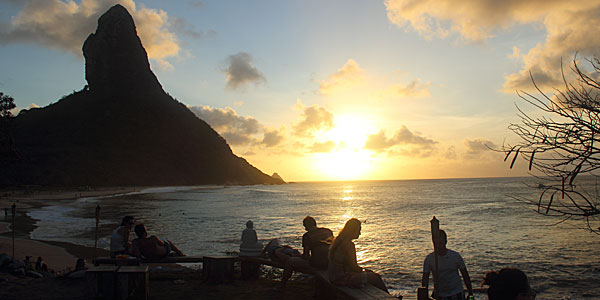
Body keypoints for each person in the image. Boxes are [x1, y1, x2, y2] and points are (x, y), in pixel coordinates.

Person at [328, 218, 389, 293]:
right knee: (375, 278)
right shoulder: (349, 245)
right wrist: (365, 271)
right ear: (352, 230)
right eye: (359, 230)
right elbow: (354, 267)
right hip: (342, 278)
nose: (360, 233)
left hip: (333, 276)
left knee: (369, 275)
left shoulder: (339, 240)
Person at [280, 216, 333, 288]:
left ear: (306, 226)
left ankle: (282, 284)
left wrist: (297, 255)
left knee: (290, 261)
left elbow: (306, 256)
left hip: (317, 265)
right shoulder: (328, 231)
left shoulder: (307, 236)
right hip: (329, 263)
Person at [421, 229, 473, 300]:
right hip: (439, 294)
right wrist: (425, 295)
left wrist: (470, 292)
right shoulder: (429, 259)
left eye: (441, 241)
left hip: (456, 293)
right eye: (437, 242)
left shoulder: (455, 256)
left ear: (445, 241)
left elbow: (465, 275)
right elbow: (425, 280)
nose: (439, 244)